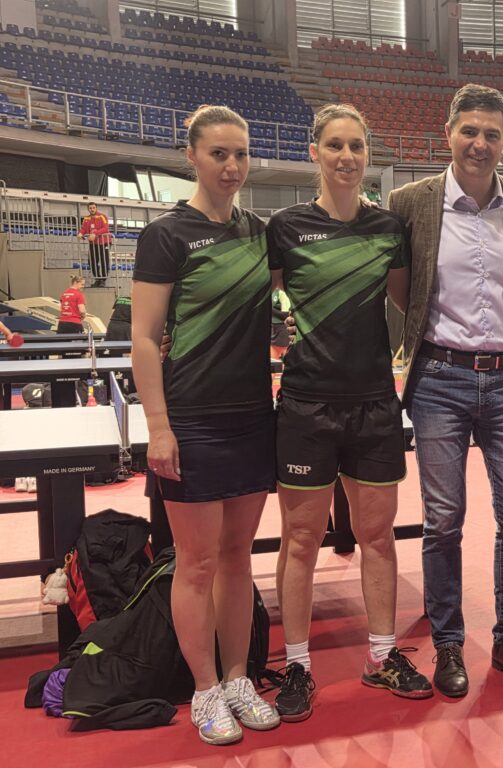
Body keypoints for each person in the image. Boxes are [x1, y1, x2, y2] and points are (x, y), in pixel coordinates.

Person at [268, 103, 429, 721]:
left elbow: (412, 304)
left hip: (373, 404)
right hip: (306, 406)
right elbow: (252, 299)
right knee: (302, 539)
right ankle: (297, 666)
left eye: (356, 146)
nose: (346, 157)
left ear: (368, 155)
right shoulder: (286, 227)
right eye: (335, 145)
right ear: (314, 152)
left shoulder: (388, 229)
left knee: (377, 536)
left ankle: (382, 655)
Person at [387, 83, 503, 697]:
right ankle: (449, 643)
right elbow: (403, 288)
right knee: (443, 520)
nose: (480, 143)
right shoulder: (410, 201)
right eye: (470, 131)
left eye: (492, 134)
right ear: (448, 133)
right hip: (439, 379)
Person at [132, 104, 279, 745]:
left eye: (240, 154)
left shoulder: (259, 233)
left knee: (238, 557)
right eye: (219, 154)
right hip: (191, 419)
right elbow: (144, 338)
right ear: (191, 155)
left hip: (252, 417)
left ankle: (240, 677)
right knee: (195, 563)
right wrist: (158, 426)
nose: (231, 166)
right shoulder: (166, 235)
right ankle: (205, 689)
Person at [79, 201, 111, 287]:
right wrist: (80, 233)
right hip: (93, 243)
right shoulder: (86, 218)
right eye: (90, 208)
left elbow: (105, 228)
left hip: (104, 242)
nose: (92, 209)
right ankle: (97, 278)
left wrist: (95, 233)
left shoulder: (102, 216)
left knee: (104, 261)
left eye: (93, 208)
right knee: (92, 261)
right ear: (88, 209)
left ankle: (103, 280)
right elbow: (83, 228)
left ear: (96, 208)